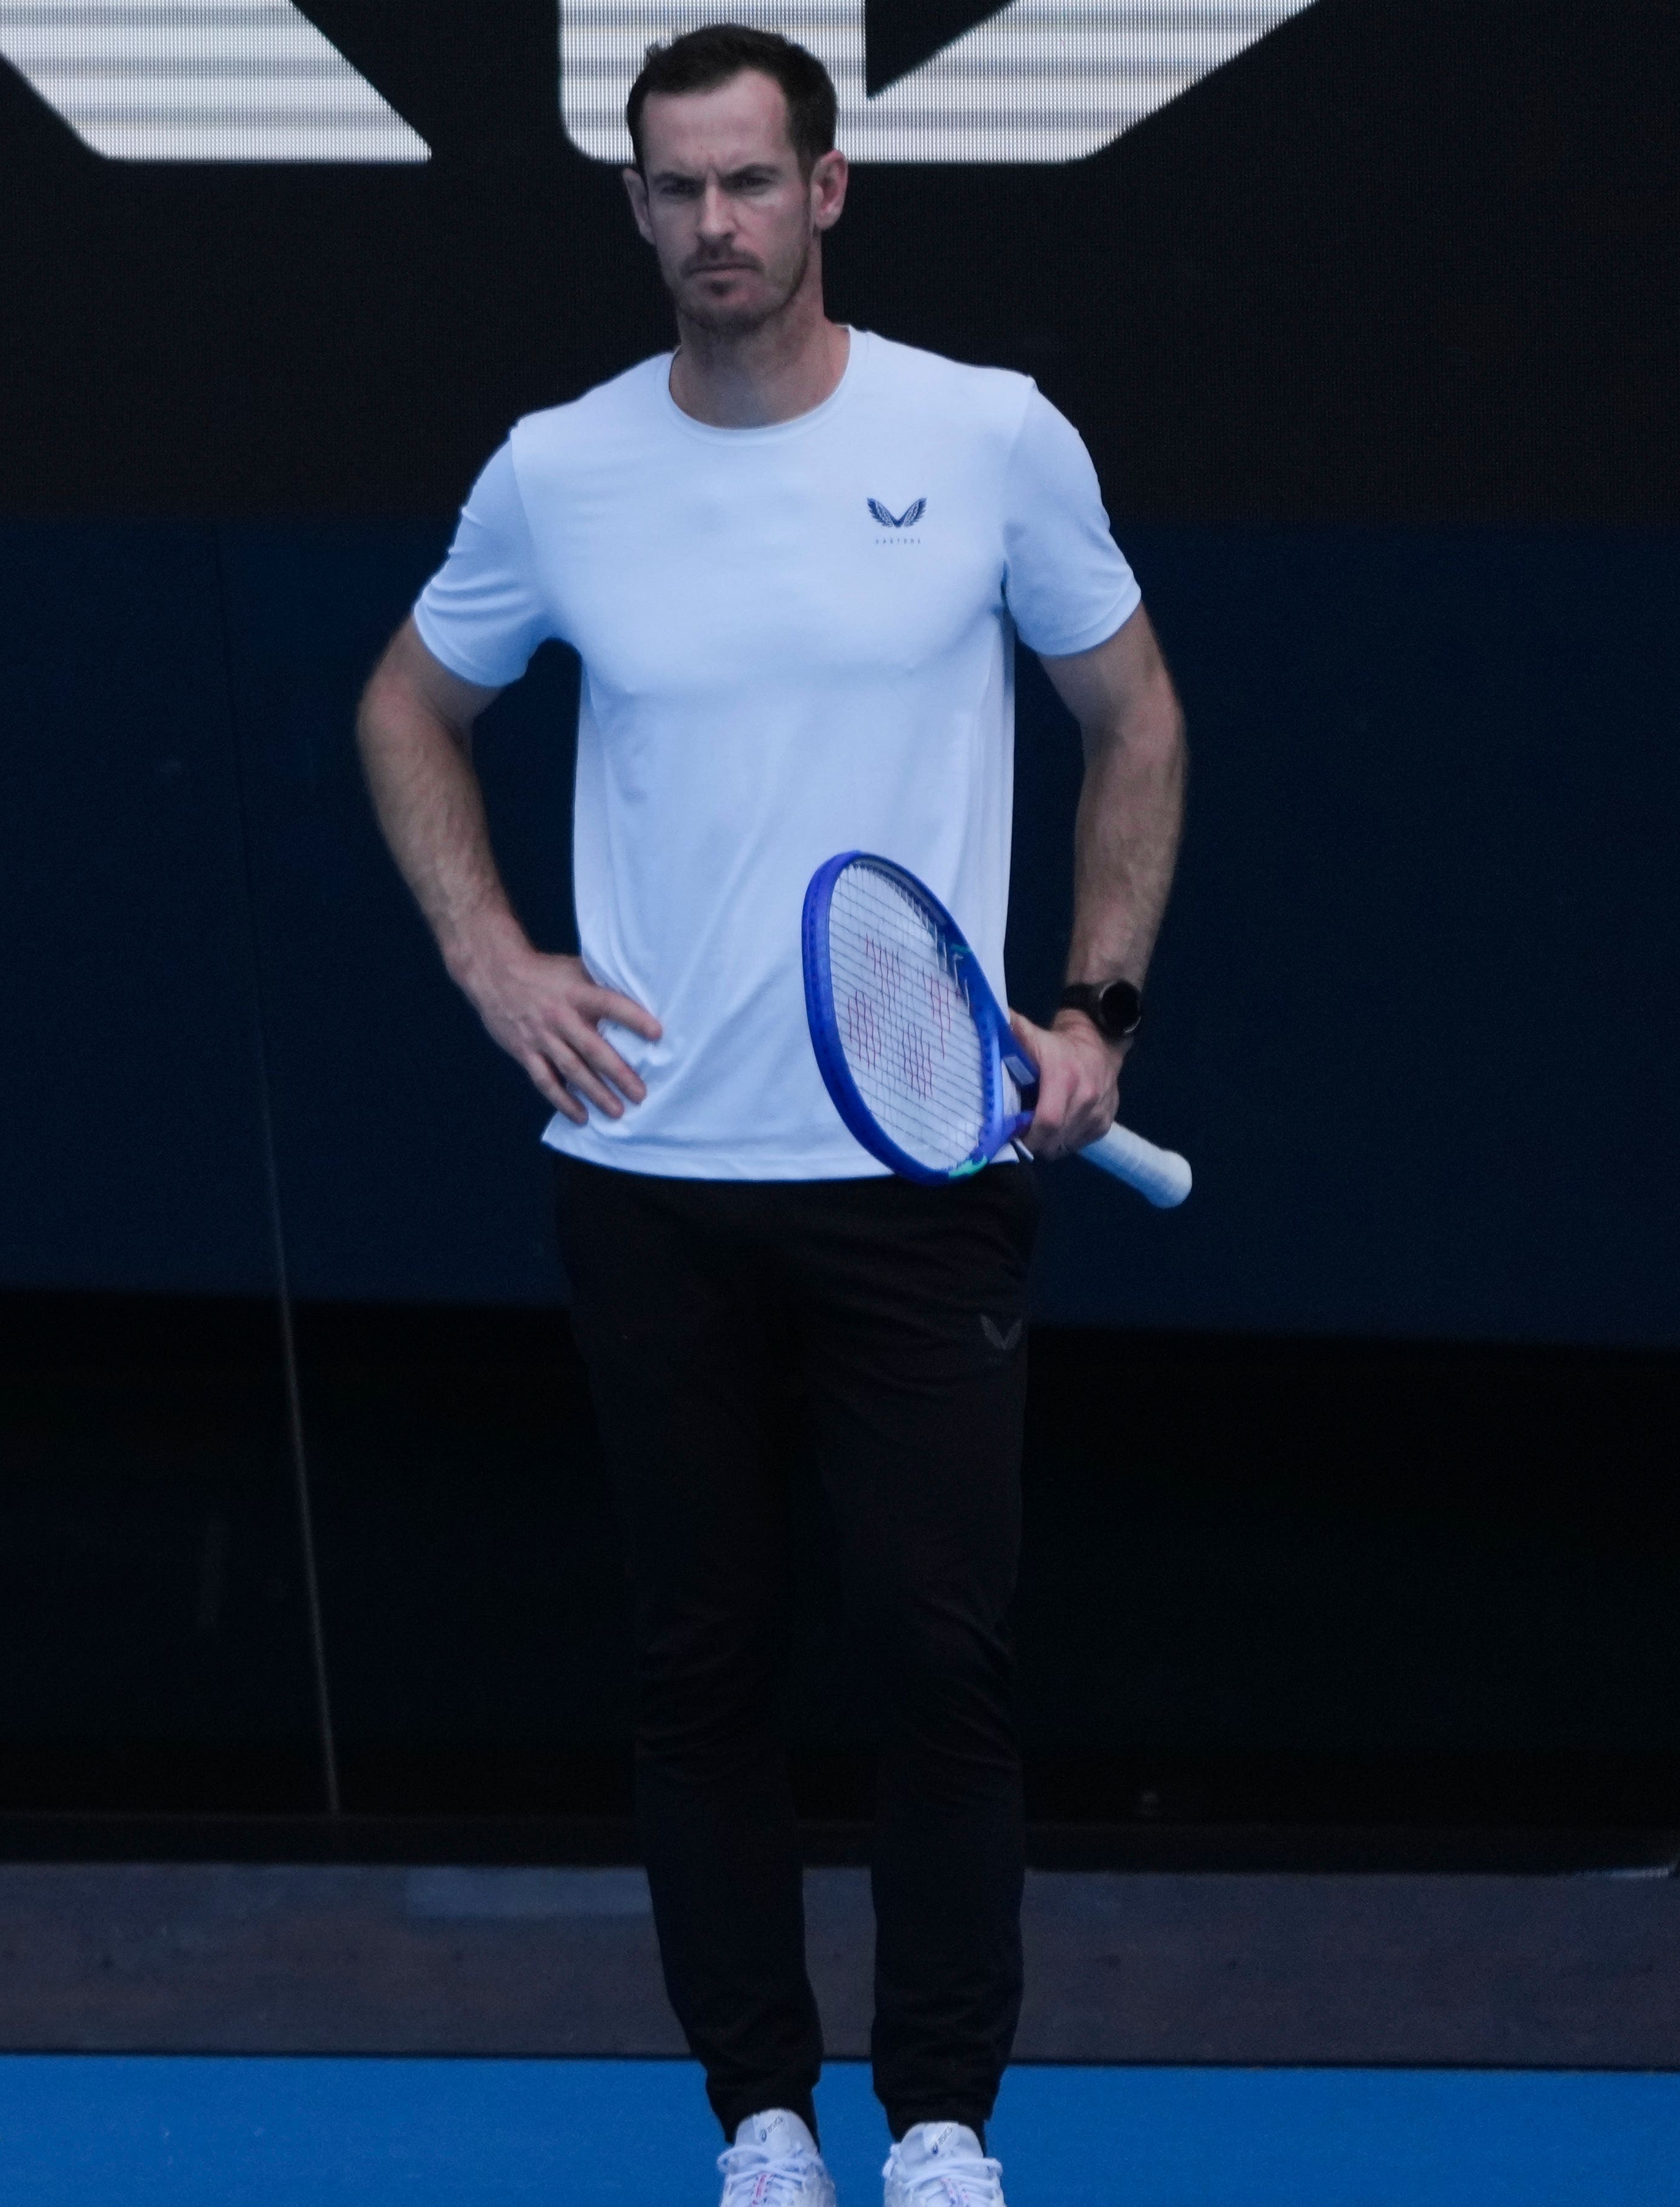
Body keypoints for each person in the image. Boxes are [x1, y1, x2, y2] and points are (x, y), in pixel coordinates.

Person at [354, 26, 1183, 2207]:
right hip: (648, 1181)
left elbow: (1133, 715)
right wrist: (492, 959)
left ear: (826, 193)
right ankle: (755, 2119)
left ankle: (935, 2122)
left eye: (748, 184)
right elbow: (408, 707)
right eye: (673, 191)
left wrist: (1093, 1005)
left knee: (935, 1657)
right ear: (634, 211)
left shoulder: (987, 439)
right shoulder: (558, 471)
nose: (712, 225)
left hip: (922, 1182)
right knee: (698, 1665)